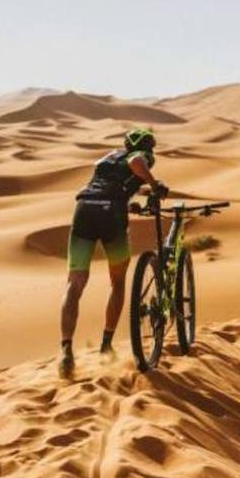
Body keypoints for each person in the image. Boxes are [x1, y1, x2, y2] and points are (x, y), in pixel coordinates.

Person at [59, 127, 168, 375]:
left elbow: (116, 182)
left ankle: (66, 350)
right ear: (148, 145)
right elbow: (137, 162)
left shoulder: (107, 158)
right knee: (117, 283)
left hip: (84, 208)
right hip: (111, 214)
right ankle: (106, 344)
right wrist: (154, 183)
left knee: (73, 286)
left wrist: (136, 192)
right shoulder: (142, 155)